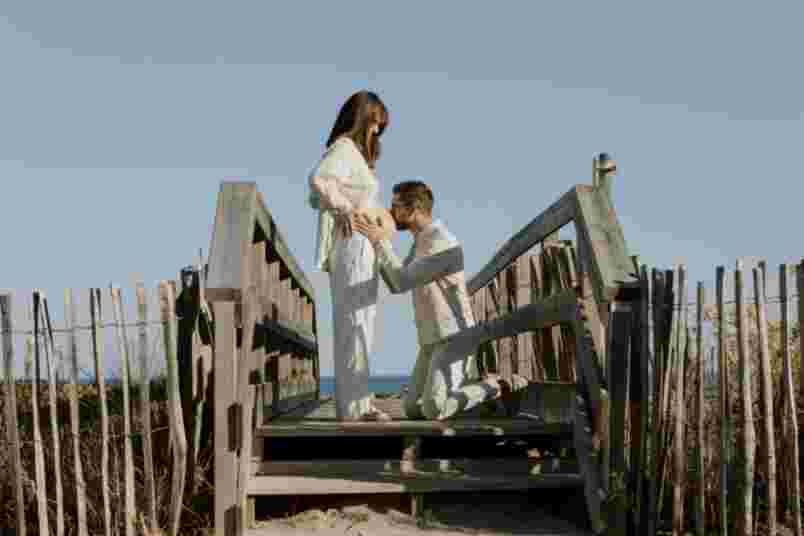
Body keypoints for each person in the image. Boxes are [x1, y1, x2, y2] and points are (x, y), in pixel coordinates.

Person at [352, 180, 505, 420]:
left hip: (455, 336)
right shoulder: (420, 240)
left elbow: (402, 280)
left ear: (414, 209)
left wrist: (379, 241)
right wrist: (375, 244)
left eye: (396, 206)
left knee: (434, 408)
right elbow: (396, 283)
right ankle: (461, 393)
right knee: (412, 409)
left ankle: (494, 387)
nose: (391, 213)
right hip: (431, 339)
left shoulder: (442, 241)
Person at [307, 90, 395, 422]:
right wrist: (343, 206)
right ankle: (353, 409)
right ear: (362, 119)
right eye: (374, 124)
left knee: (361, 323)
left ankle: (359, 404)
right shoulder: (343, 149)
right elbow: (317, 181)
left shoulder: (353, 154)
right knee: (354, 323)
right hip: (353, 243)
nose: (376, 132)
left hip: (362, 243)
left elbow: (319, 194)